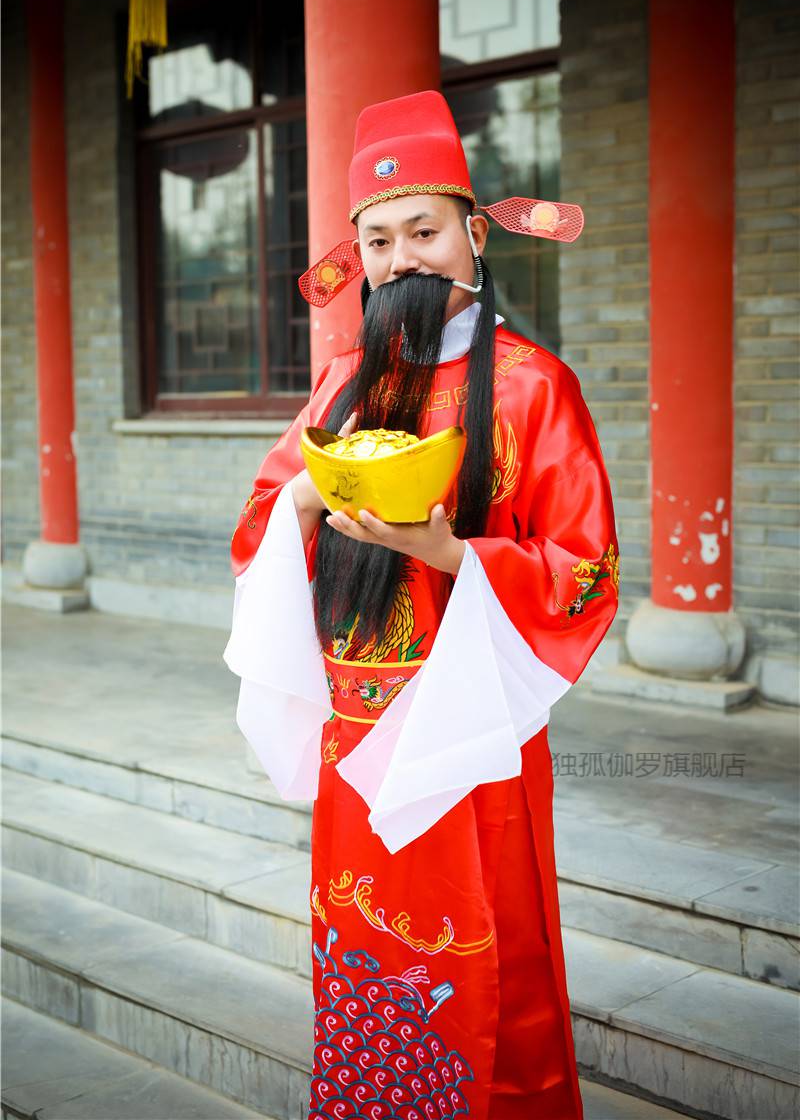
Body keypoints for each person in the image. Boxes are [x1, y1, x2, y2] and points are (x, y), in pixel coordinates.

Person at [224, 90, 619, 1120]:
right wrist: (312, 492)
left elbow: (582, 568)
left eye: (423, 231)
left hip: (467, 737)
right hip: (352, 742)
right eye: (378, 239)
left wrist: (449, 551)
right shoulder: (343, 387)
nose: (402, 258)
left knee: (494, 968)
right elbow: (255, 528)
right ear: (358, 259)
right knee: (360, 958)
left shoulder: (534, 389)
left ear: (472, 235)